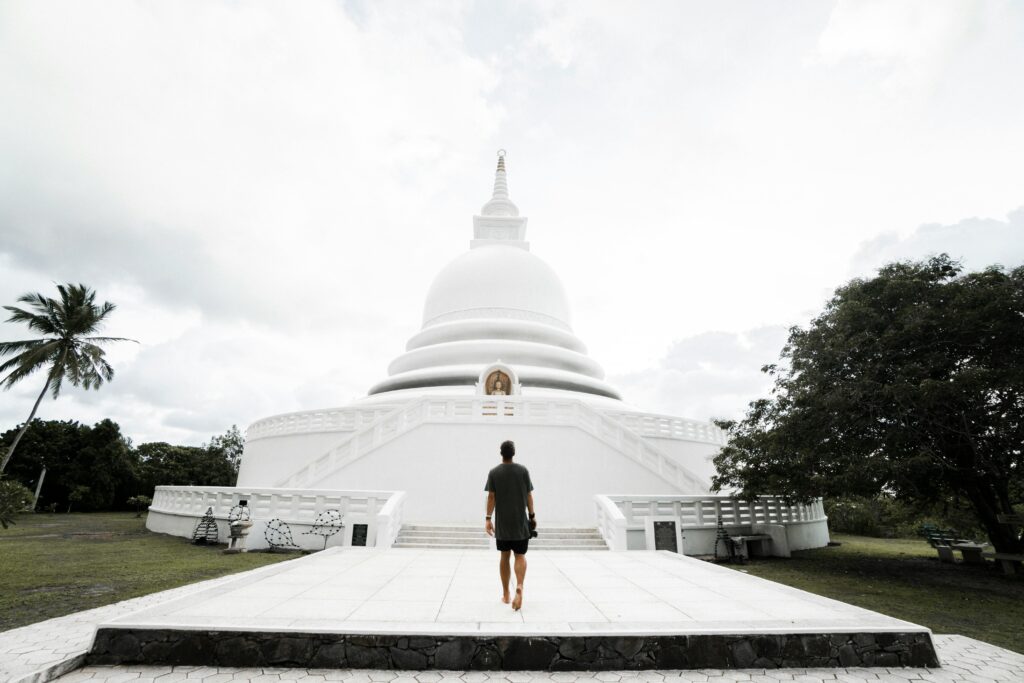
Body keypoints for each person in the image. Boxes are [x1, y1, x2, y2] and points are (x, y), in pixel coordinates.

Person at [484, 440, 535, 610]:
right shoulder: (523, 471)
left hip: (503, 524)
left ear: (501, 453)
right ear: (513, 453)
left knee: (504, 557)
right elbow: (529, 495)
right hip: (520, 523)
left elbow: (491, 497)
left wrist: (488, 518)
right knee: (520, 555)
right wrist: (532, 515)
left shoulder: (494, 472)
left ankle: (506, 593)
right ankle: (519, 585)